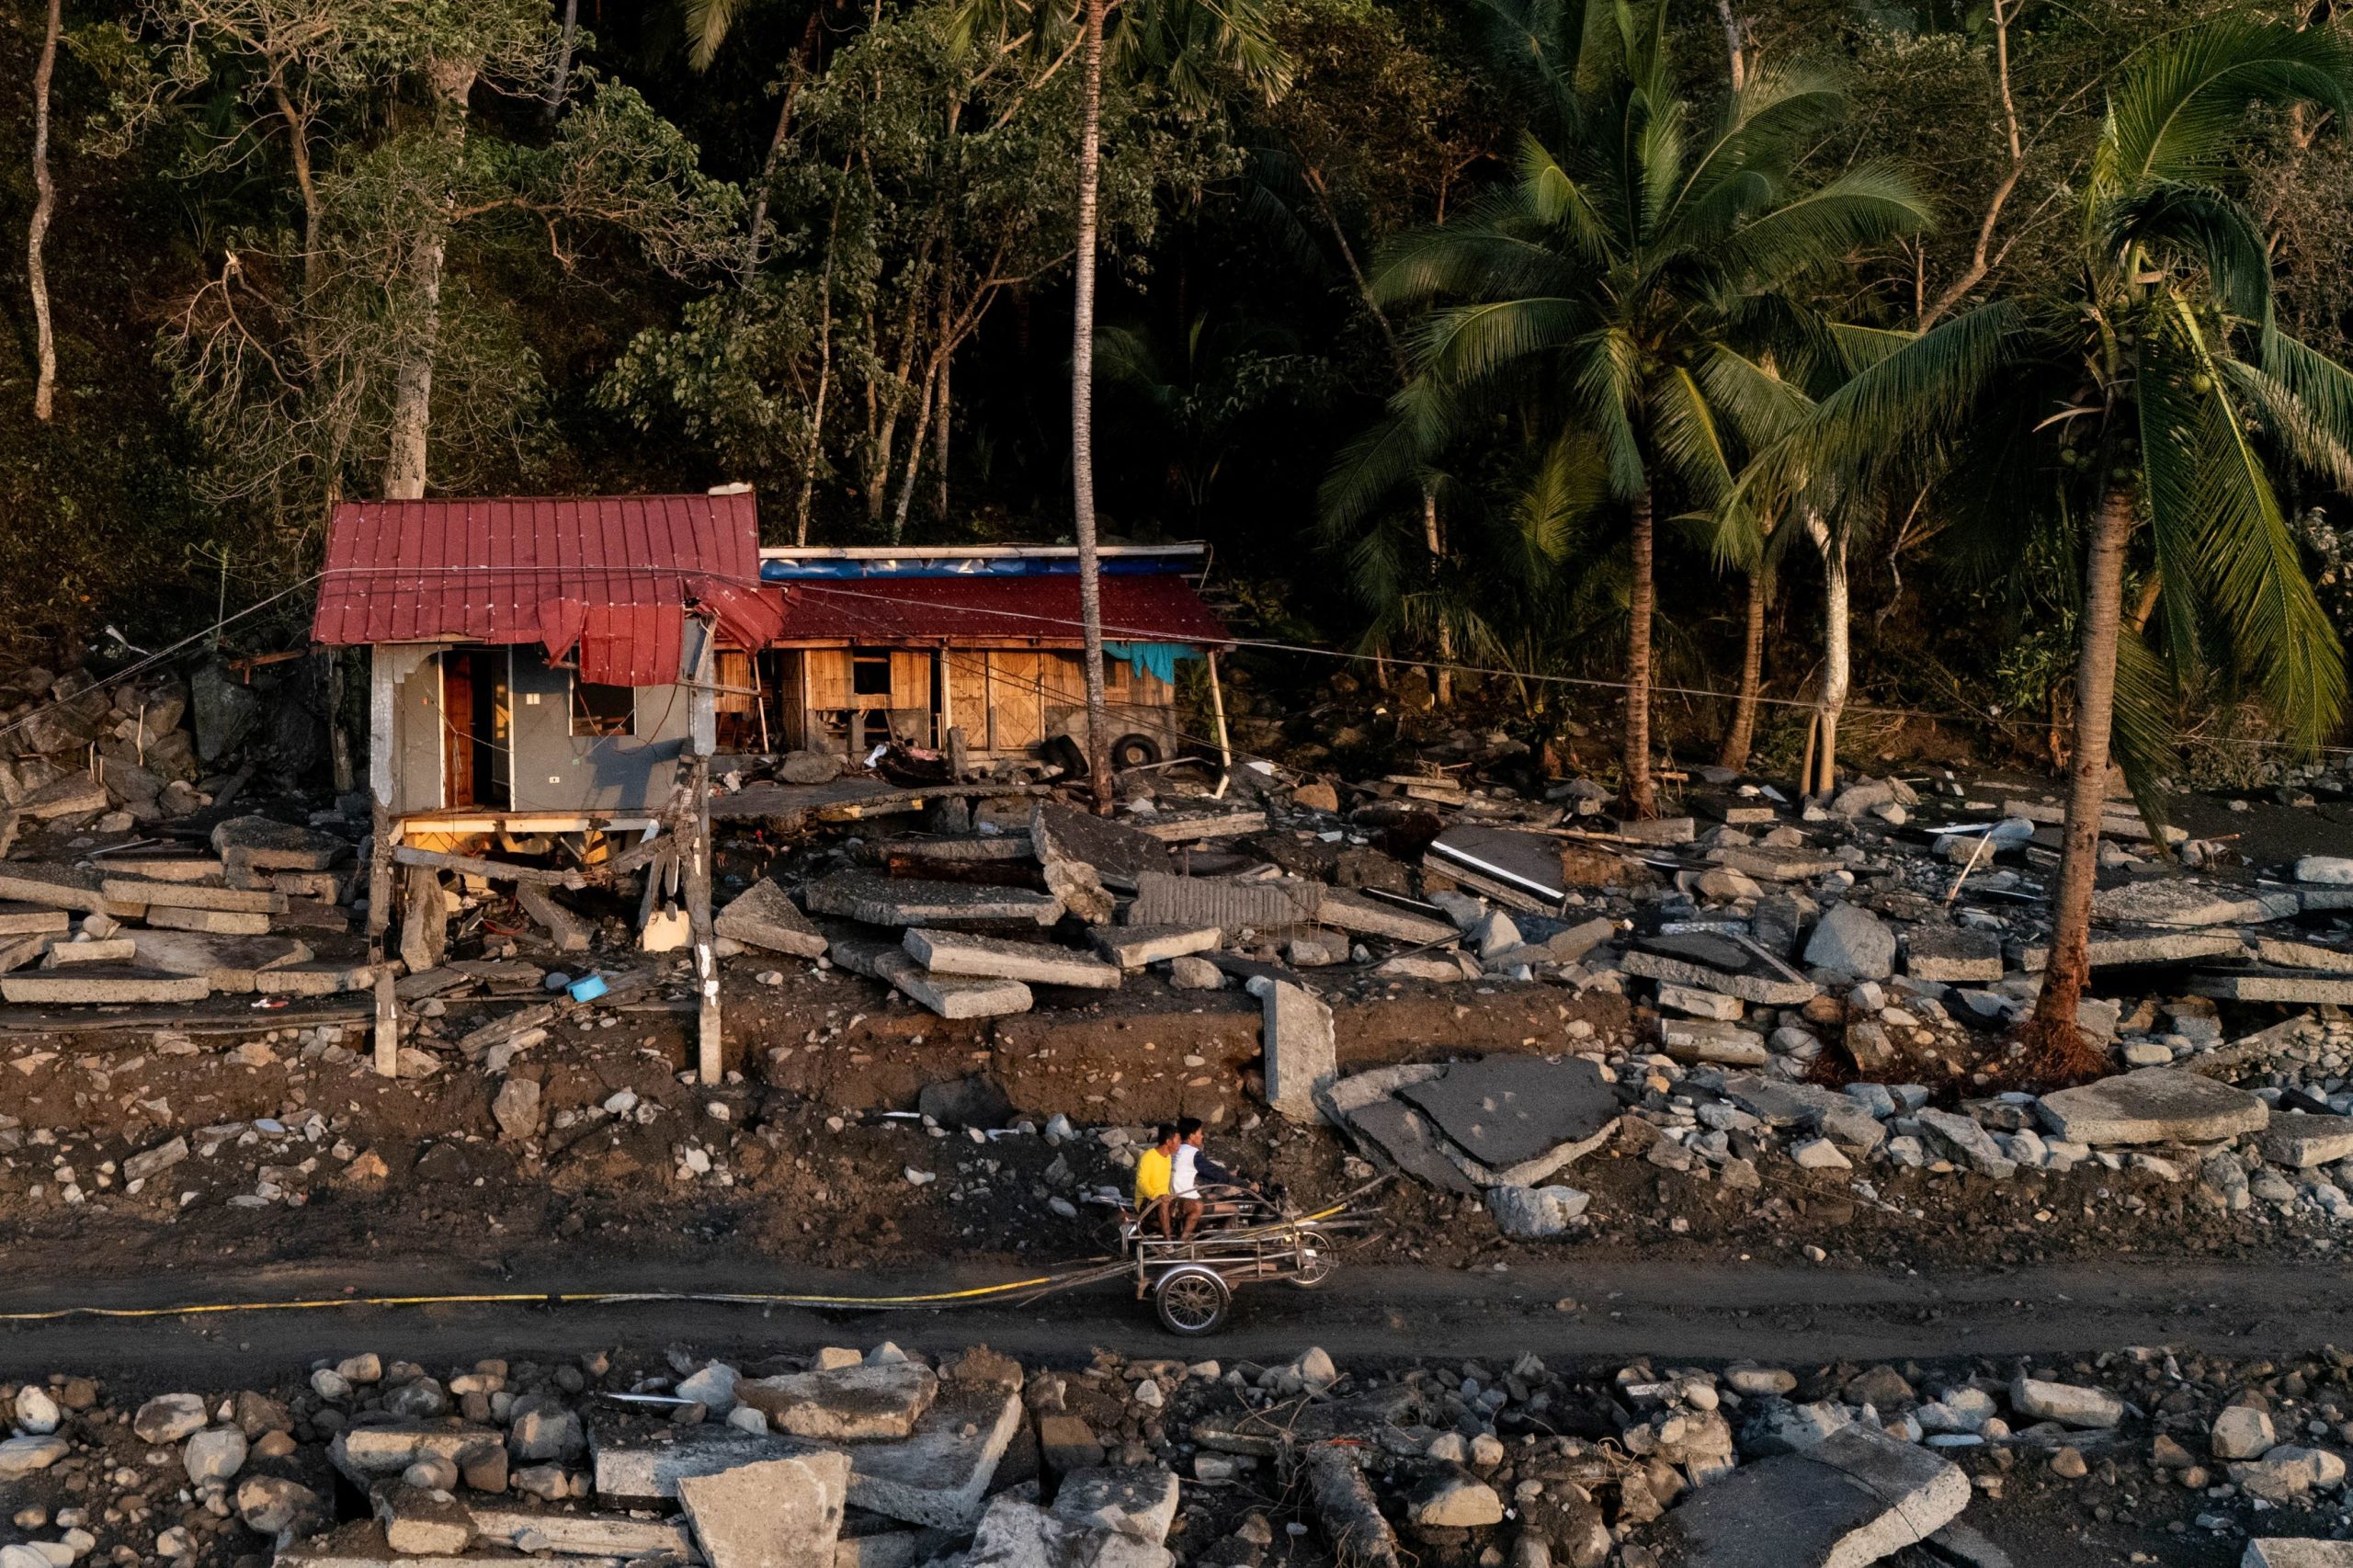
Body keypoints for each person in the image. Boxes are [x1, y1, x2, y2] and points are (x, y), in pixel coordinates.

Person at [1169, 1116, 1256, 1239]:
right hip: (1186, 1200)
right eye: (1200, 1133)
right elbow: (1216, 1173)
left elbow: (1204, 1173)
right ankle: (1224, 1241)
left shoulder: (1177, 1151)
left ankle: (1212, 1229)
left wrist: (1225, 1175)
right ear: (1192, 1136)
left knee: (1216, 1196)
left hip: (1175, 1196)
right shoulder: (1192, 1154)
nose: (1202, 1136)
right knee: (1235, 1209)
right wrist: (1247, 1185)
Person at [1131, 1124, 1180, 1238]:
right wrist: (1157, 1196)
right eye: (1178, 1141)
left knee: (1193, 1204)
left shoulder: (1168, 1157)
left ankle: (1185, 1238)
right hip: (1147, 1200)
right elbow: (1141, 1182)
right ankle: (1168, 1241)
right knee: (1163, 1203)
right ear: (1168, 1142)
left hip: (1165, 1198)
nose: (1179, 1145)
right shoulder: (1147, 1157)